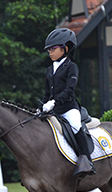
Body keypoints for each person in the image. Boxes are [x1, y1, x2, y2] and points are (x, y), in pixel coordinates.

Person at [39, 28, 95, 178]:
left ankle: (86, 160)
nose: (50, 52)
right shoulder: (50, 70)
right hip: (53, 109)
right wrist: (42, 106)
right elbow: (47, 93)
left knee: (76, 126)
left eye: (53, 48)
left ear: (66, 48)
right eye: (48, 49)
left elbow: (69, 90)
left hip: (68, 108)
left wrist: (54, 102)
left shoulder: (72, 67)